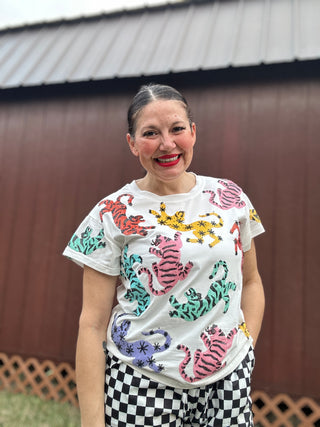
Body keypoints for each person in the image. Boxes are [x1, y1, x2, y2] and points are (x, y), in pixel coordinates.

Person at [63, 83, 265, 427]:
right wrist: (92, 422)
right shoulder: (111, 213)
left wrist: (245, 348)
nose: (167, 144)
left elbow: (252, 282)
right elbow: (92, 324)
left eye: (177, 129)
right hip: (142, 384)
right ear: (131, 143)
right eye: (150, 133)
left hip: (228, 380)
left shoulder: (231, 198)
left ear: (194, 132)